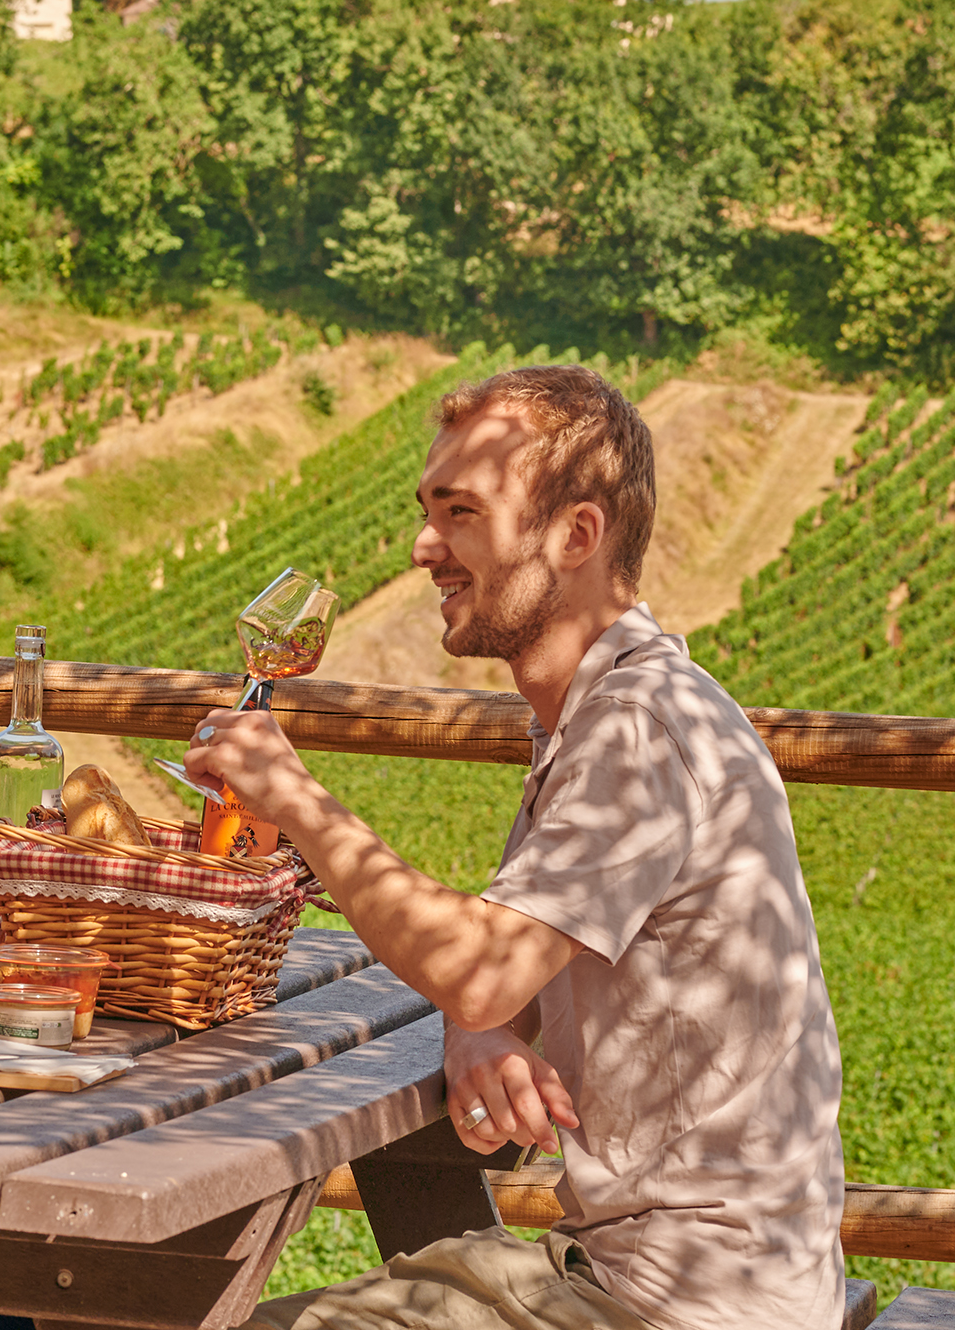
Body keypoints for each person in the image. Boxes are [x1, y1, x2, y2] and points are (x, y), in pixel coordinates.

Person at [185, 365, 845, 1330]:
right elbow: (503, 968)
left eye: (461, 513)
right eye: (428, 511)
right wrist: (481, 1032)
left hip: (684, 1310)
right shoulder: (595, 716)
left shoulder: (639, 728)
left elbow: (481, 967)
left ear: (575, 535)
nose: (424, 547)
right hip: (639, 1275)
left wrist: (289, 794)